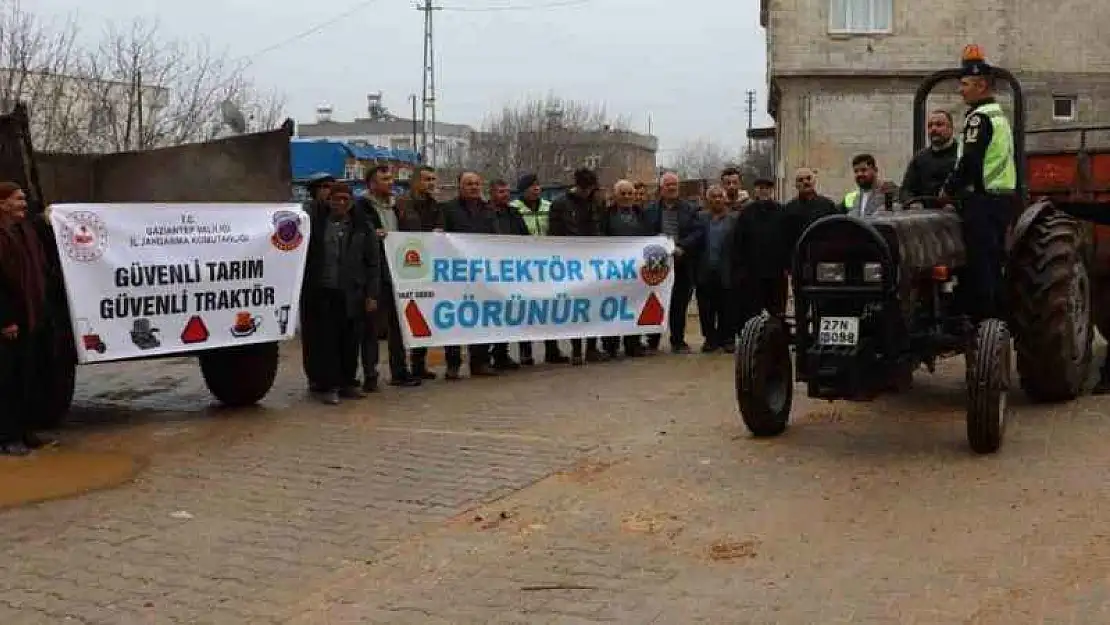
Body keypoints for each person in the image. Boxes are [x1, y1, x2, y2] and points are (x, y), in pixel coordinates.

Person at [939, 45, 1016, 326]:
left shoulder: (979, 118)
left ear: (981, 85)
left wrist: (947, 191)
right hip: (998, 200)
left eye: (965, 84)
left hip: (982, 202)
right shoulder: (998, 115)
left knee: (979, 266)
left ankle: (983, 323)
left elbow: (970, 162)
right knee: (992, 264)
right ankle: (992, 320)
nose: (961, 90)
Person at [301, 183, 381, 404]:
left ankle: (348, 382)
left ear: (351, 202)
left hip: (352, 293)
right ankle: (329, 385)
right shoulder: (316, 225)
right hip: (323, 292)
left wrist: (371, 295)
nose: (341, 203)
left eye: (346, 199)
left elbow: (373, 263)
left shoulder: (362, 227)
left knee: (350, 341)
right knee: (327, 341)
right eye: (337, 199)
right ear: (329, 200)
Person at [355, 165, 420, 388]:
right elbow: (357, 236)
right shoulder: (360, 206)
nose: (391, 182)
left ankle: (400, 371)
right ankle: (370, 374)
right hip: (374, 273)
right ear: (371, 183)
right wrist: (372, 235)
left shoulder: (398, 206)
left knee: (399, 324)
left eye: (391, 178)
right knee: (371, 327)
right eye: (385, 178)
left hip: (397, 271)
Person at [0, 183, 50, 455]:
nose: (24, 203)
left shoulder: (25, 231)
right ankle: (6, 437)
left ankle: (24, 431)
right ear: (2, 204)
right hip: (9, 321)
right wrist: (5, 320)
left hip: (29, 315)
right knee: (7, 380)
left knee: (26, 377)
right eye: (18, 199)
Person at [441, 171, 499, 379]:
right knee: (456, 319)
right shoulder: (448, 209)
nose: (473, 187)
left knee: (481, 318)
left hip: (481, 273)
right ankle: (453, 364)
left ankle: (480, 361)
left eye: (476, 183)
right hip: (456, 274)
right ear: (460, 186)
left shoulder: (488, 210)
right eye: (468, 184)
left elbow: (495, 239)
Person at [548, 168, 608, 365]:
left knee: (593, 305)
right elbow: (554, 233)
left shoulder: (596, 203)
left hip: (593, 261)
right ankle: (576, 349)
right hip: (570, 262)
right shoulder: (560, 204)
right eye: (585, 189)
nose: (588, 193)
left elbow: (601, 229)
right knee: (576, 307)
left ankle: (591, 348)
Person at [509, 174, 569, 365]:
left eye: (538, 185)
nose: (536, 189)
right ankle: (525, 352)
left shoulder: (548, 207)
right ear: (523, 189)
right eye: (531, 186)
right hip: (523, 266)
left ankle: (552, 349)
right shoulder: (514, 208)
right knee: (524, 309)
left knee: (549, 308)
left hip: (547, 265)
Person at [394, 165, 444, 380]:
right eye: (426, 179)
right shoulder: (402, 203)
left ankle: (418, 364)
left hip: (427, 267)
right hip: (405, 265)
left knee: (422, 315)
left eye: (433, 179)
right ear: (415, 181)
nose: (430, 183)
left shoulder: (435, 206)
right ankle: (399, 368)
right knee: (402, 317)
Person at [644, 171, 701, 354]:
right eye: (668, 185)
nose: (671, 188)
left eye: (674, 185)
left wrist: (682, 246)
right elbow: (643, 234)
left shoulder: (690, 209)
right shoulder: (650, 210)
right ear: (661, 188)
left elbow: (697, 232)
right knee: (655, 301)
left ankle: (678, 340)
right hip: (656, 264)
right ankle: (652, 341)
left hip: (681, 263)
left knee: (679, 303)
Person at [599, 180, 651, 358]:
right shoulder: (605, 215)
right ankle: (610, 344)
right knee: (612, 307)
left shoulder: (641, 214)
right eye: (623, 193)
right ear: (615, 196)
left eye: (630, 193)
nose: (627, 197)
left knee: (634, 305)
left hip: (636, 270)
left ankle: (633, 343)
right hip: (613, 269)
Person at [731, 177, 789, 330]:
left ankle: (779, 343)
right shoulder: (746, 213)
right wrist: (740, 269)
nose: (763, 191)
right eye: (760, 188)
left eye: (767, 188)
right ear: (755, 190)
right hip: (752, 273)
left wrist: (787, 266)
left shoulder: (782, 212)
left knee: (777, 312)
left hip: (776, 273)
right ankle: (753, 343)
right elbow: (738, 243)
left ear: (772, 190)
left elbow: (788, 240)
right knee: (752, 313)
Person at [487, 179, 529, 370]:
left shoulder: (514, 213)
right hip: (489, 270)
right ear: (492, 193)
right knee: (491, 314)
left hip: (512, 270)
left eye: (507, 191)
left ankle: (501, 354)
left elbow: (525, 238)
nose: (505, 195)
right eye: (501, 191)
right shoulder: (485, 213)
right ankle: (485, 356)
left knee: (507, 313)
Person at [301, 172, 334, 393]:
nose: (328, 190)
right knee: (313, 332)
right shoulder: (306, 213)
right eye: (324, 187)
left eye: (331, 186)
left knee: (331, 332)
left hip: (333, 280)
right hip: (311, 281)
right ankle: (315, 377)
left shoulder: (336, 212)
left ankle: (331, 375)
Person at [693, 185, 737, 352]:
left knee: (728, 307)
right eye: (713, 196)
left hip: (726, 271)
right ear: (707, 199)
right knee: (706, 309)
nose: (717, 199)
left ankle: (728, 339)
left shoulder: (734, 219)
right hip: (705, 271)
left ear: (725, 198)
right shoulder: (700, 218)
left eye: (720, 196)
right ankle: (710, 339)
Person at [900, 110, 959, 203]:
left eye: (939, 125)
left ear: (951, 128)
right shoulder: (920, 158)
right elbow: (906, 190)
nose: (933, 129)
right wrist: (912, 204)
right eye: (930, 126)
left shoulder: (961, 154)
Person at [783, 167, 841, 252]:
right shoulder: (789, 208)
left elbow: (837, 231)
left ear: (814, 181)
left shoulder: (827, 204)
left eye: (808, 178)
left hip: (823, 256)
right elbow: (786, 238)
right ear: (796, 185)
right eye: (801, 180)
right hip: (798, 256)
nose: (805, 182)